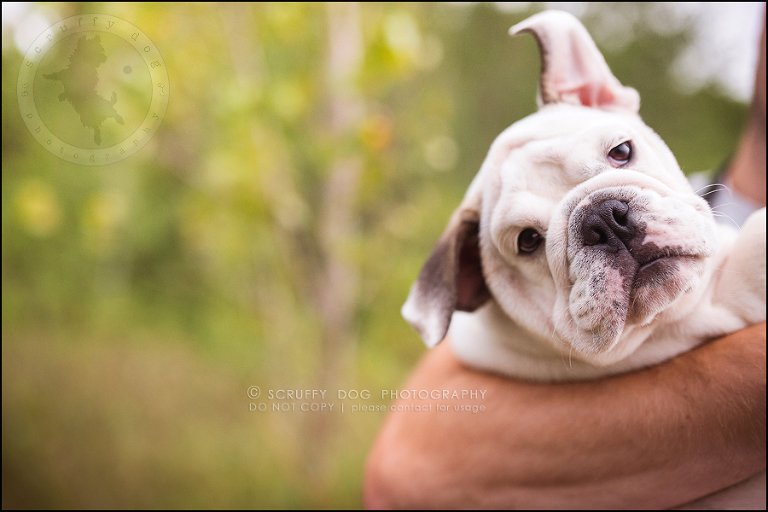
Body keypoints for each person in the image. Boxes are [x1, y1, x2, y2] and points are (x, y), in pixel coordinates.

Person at [364, 12, 766, 509]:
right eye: (530, 240)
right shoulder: (499, 346)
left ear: (604, 96)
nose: (611, 226)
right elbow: (396, 479)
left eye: (620, 154)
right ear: (470, 278)